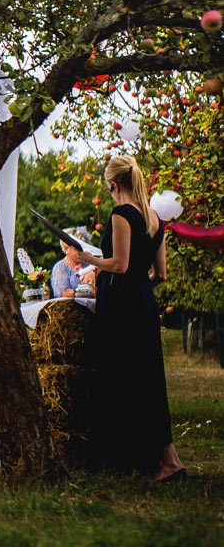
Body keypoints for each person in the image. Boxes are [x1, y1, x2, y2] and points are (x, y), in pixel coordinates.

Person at [73, 154, 185, 481]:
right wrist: (140, 289)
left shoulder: (122, 213)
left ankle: (146, 461)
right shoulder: (154, 218)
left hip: (121, 305)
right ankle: (163, 459)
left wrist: (88, 258)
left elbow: (119, 264)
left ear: (113, 184)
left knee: (122, 377)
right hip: (143, 302)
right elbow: (160, 274)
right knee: (148, 379)